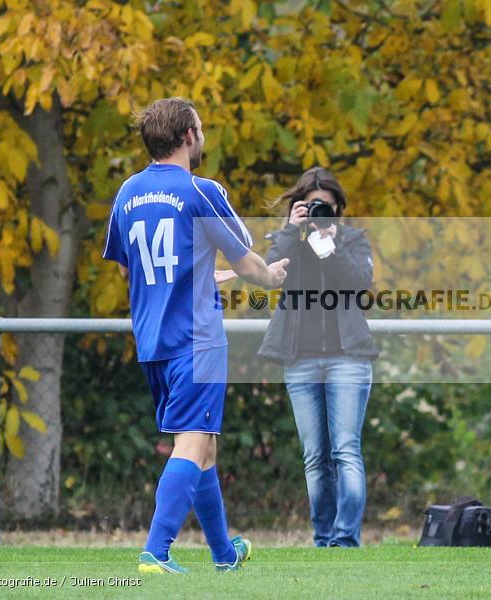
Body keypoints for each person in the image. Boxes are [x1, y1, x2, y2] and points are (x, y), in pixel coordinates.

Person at [103, 97, 289, 574]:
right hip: (196, 338)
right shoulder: (199, 190)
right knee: (191, 442)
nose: (202, 136)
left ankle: (224, 554)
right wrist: (270, 278)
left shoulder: (127, 192)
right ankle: (156, 550)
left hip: (152, 340)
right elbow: (247, 260)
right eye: (200, 129)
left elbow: (129, 268)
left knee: (205, 445)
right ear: (188, 136)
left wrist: (202, 276)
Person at [258, 167, 378, 547]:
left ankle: (345, 539)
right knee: (314, 457)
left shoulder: (354, 240)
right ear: (299, 207)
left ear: (338, 208)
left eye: (325, 206)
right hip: (301, 358)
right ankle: (322, 538)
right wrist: (291, 230)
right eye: (311, 206)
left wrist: (331, 246)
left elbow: (359, 282)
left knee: (346, 450)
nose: (319, 212)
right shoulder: (289, 239)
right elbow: (269, 274)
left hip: (348, 356)